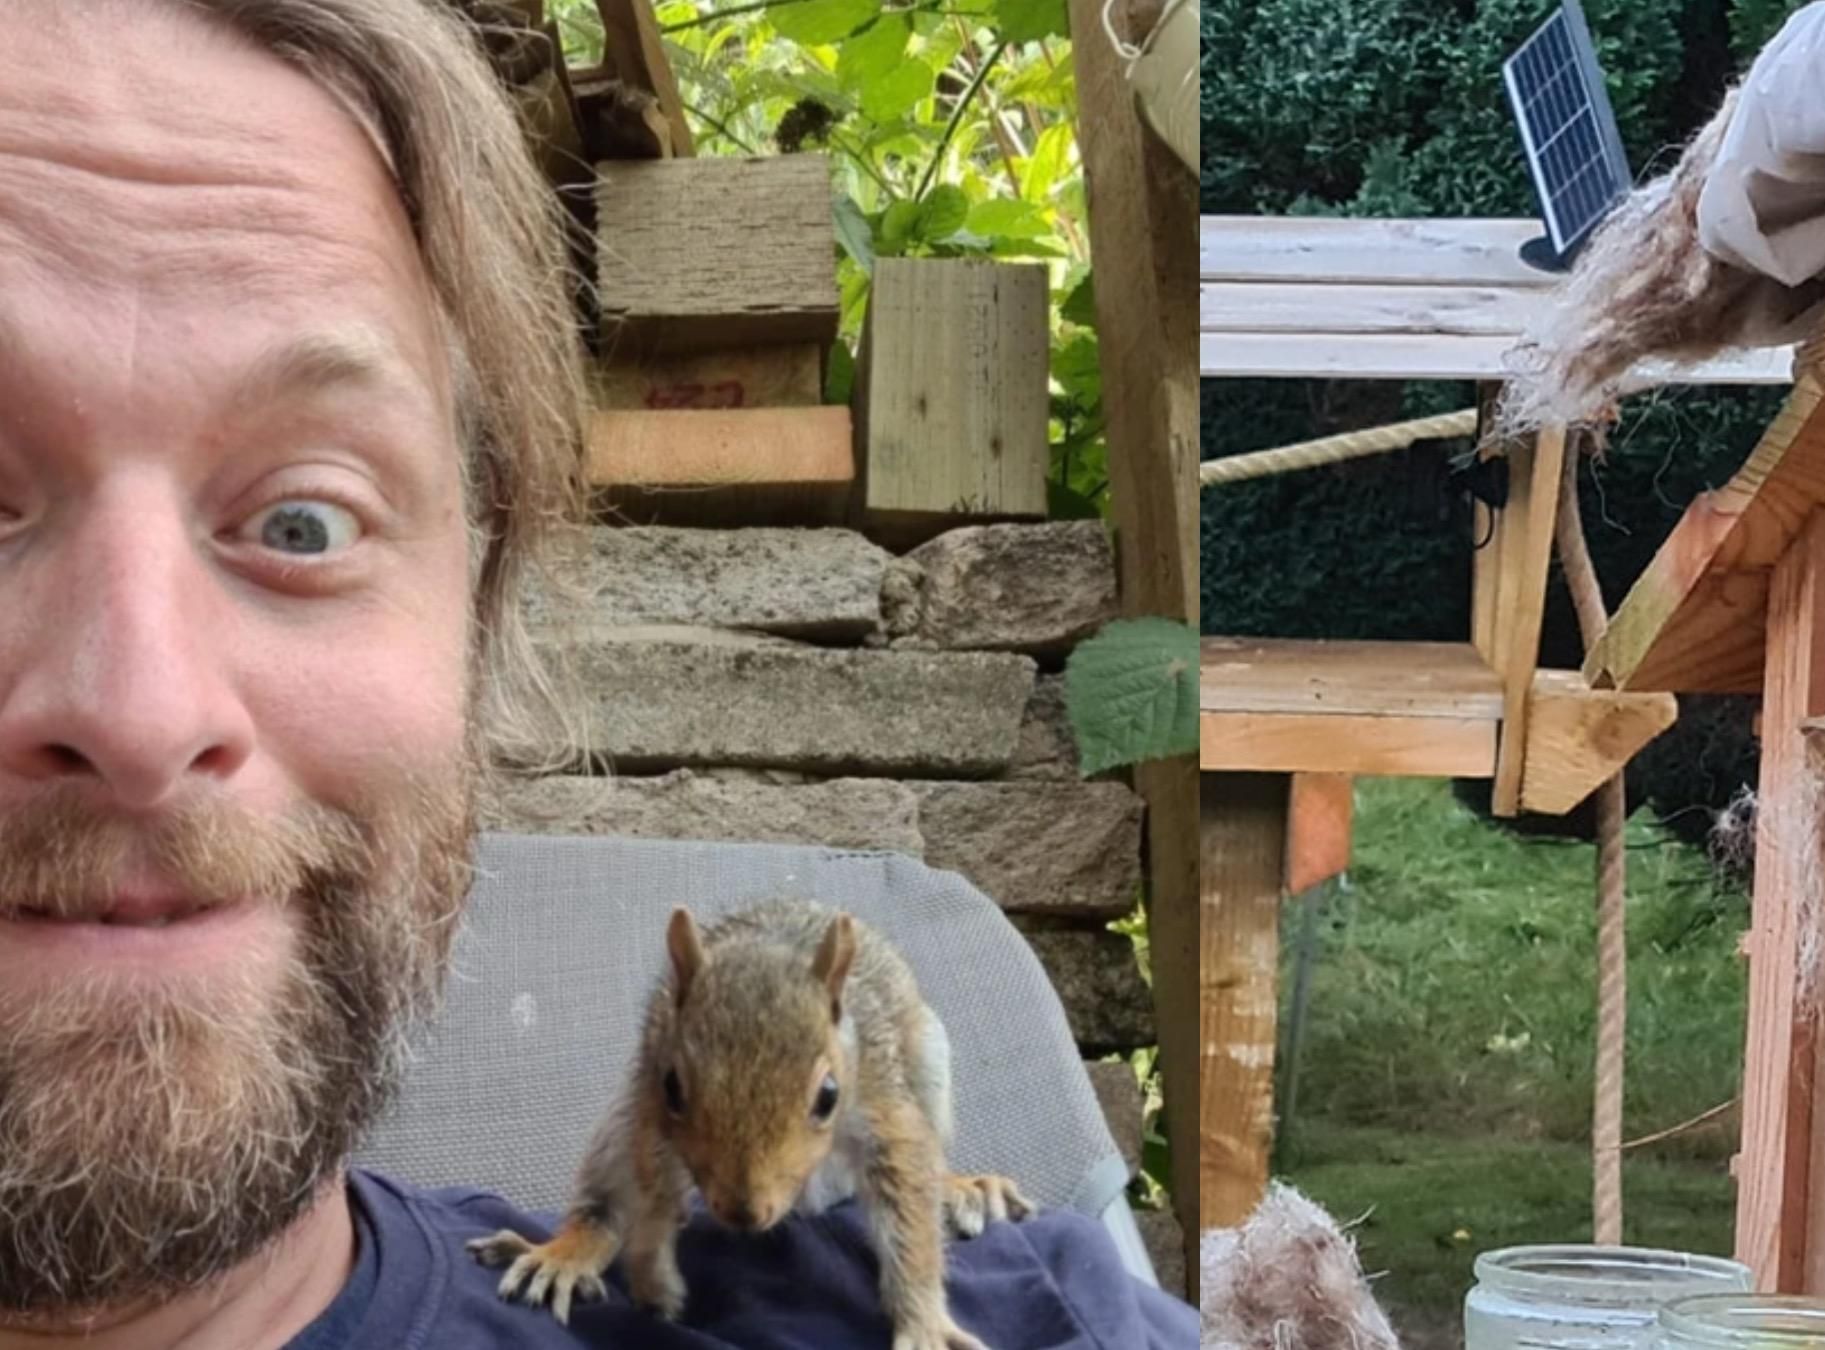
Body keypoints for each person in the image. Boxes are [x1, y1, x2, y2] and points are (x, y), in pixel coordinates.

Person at [0, 2, 1198, 1347]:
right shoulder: (662, 1104)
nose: (139, 710)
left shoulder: (1037, 1311)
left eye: (305, 522)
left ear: (479, 607)